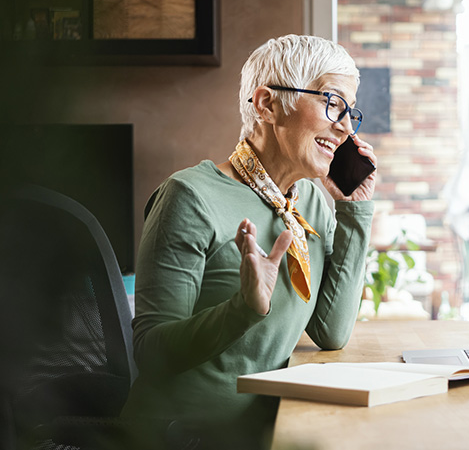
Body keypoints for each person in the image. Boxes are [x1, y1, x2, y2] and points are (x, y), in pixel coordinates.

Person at [120, 34, 376, 448]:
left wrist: (355, 210)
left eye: (350, 111)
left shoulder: (308, 198)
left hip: (266, 428)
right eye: (331, 102)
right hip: (183, 435)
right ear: (267, 104)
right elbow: (151, 354)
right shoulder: (188, 197)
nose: (345, 127)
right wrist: (242, 310)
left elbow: (332, 331)